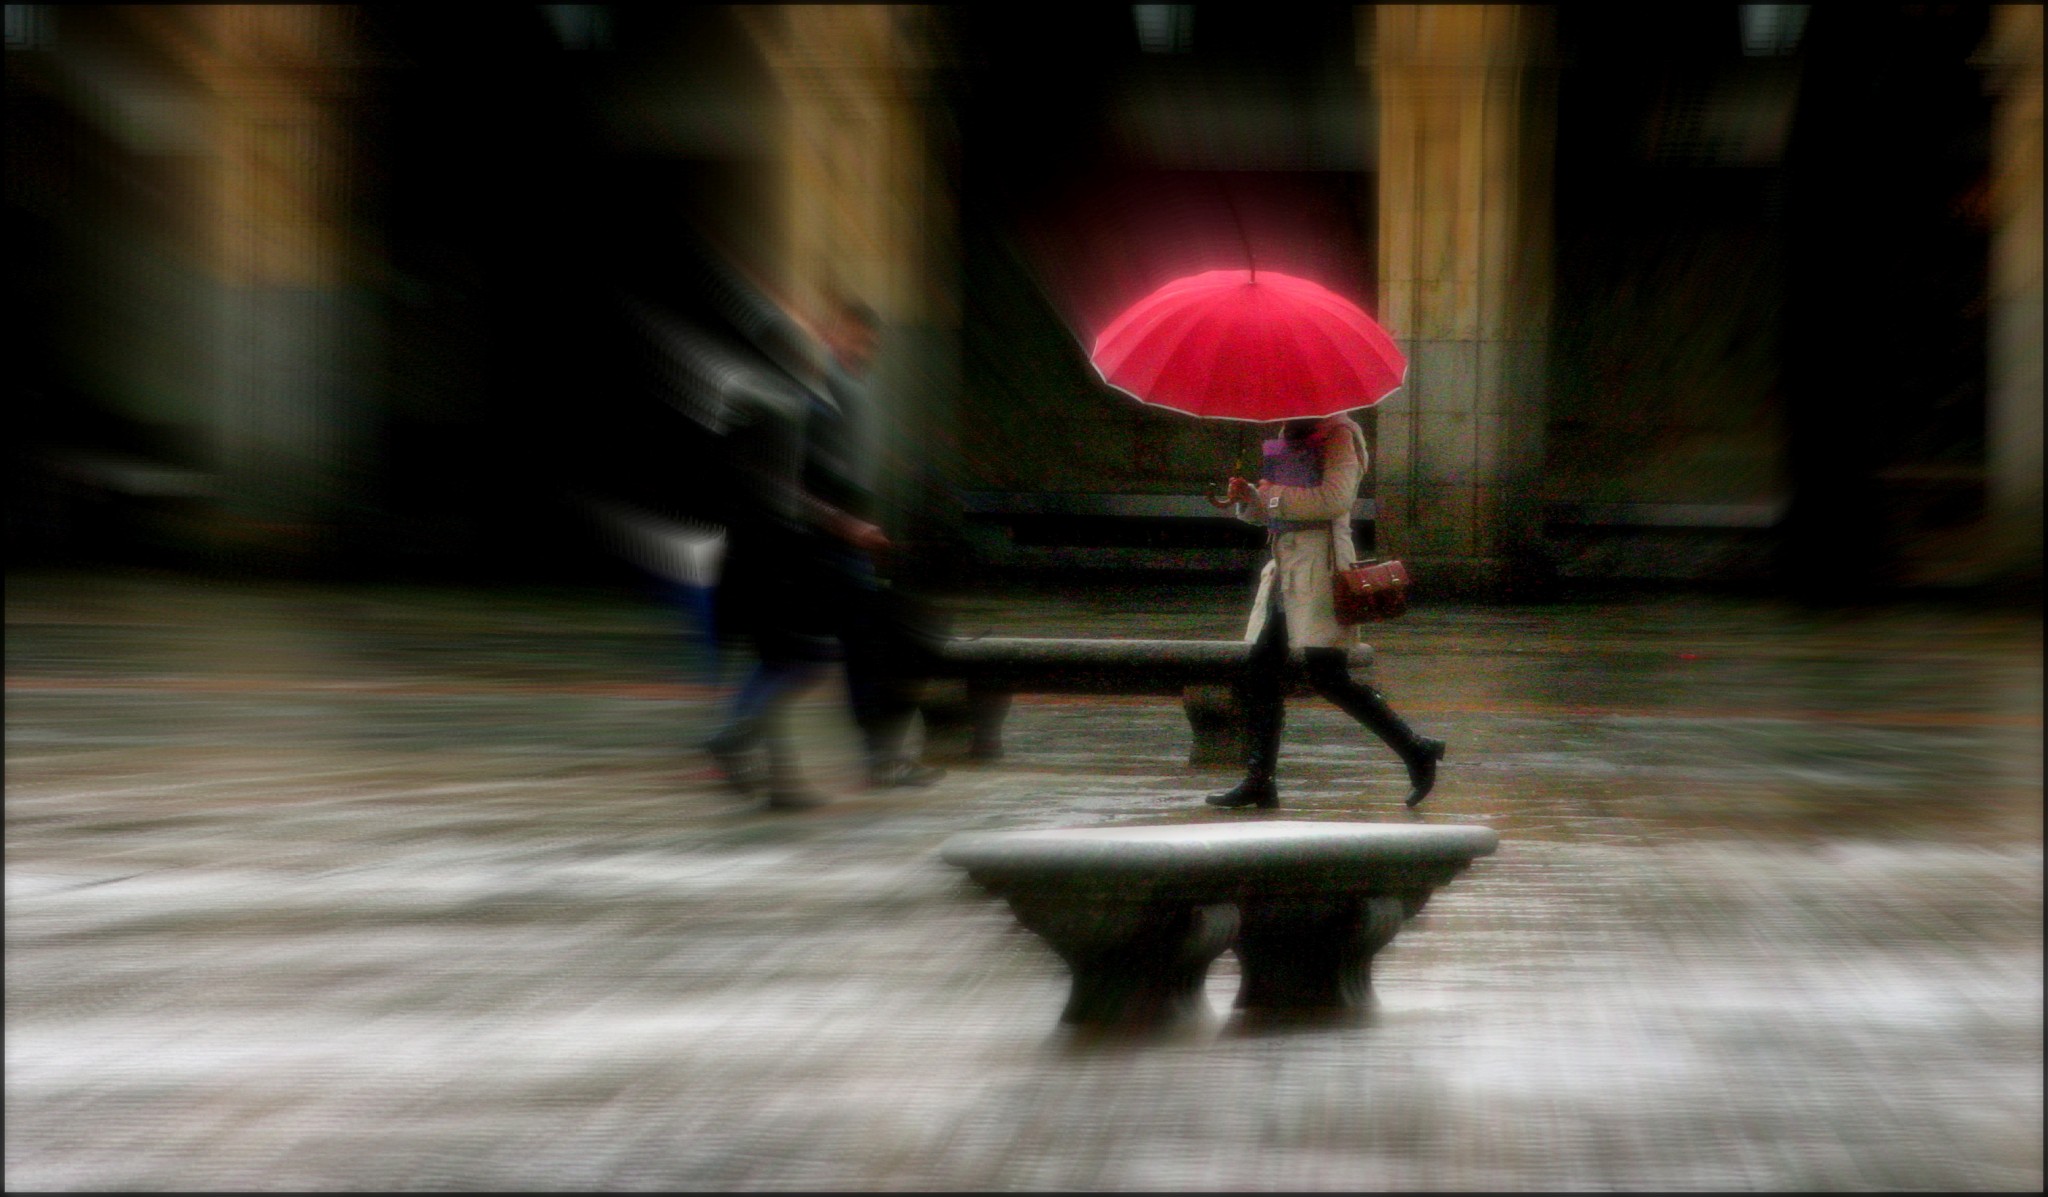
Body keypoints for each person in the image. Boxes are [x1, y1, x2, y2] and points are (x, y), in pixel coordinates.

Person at [1206, 412, 1446, 810]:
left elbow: (1335, 499)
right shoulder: (1287, 433)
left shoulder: (1338, 435)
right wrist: (1249, 497)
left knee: (1327, 675)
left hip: (1321, 570)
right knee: (1261, 673)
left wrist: (1271, 496)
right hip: (1286, 570)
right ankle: (1259, 779)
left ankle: (1415, 748)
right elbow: (1272, 511)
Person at [805, 296, 945, 790]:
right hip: (826, 538)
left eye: (870, 339)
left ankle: (882, 754)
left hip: (858, 532)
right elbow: (793, 480)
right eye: (855, 336)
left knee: (883, 644)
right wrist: (847, 526)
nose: (865, 347)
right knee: (870, 648)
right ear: (831, 333)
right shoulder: (816, 392)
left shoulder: (859, 386)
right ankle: (879, 756)